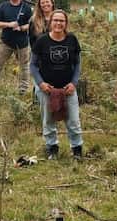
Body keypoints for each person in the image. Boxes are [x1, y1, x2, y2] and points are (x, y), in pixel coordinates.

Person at [30, 9, 84, 159]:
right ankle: (52, 148)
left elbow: (78, 64)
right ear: (50, 22)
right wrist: (40, 84)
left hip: (68, 88)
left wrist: (74, 83)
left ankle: (77, 149)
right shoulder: (42, 41)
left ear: (66, 23)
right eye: (56, 20)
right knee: (48, 120)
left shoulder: (72, 39)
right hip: (47, 89)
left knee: (73, 120)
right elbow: (33, 65)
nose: (58, 23)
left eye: (62, 21)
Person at [0, 0, 34, 94]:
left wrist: (21, 28)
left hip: (22, 43)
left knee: (24, 68)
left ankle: (23, 90)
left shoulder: (26, 8)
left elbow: (31, 24)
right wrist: (9, 24)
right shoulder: (3, 6)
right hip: (5, 42)